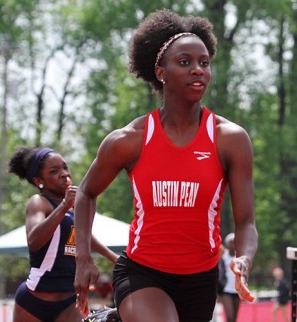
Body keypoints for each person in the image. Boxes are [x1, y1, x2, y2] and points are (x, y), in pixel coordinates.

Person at [73, 8, 258, 322]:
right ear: (161, 72)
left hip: (200, 279)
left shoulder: (230, 139)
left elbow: (245, 222)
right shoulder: (129, 139)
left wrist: (243, 258)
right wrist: (82, 258)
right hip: (142, 272)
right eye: (184, 62)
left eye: (204, 62)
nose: (198, 70)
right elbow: (85, 194)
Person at [8, 147, 119, 322]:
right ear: (39, 181)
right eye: (54, 171)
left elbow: (84, 235)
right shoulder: (39, 202)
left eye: (65, 168)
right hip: (34, 299)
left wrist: (112, 257)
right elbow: (34, 240)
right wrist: (64, 205)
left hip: (68, 299)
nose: (63, 174)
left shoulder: (75, 206)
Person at [217, 233, 241, 322]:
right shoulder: (223, 256)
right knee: (230, 316)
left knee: (234, 317)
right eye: (231, 242)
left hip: (237, 289)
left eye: (235, 242)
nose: (233, 245)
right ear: (228, 244)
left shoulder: (239, 257)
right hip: (225, 290)